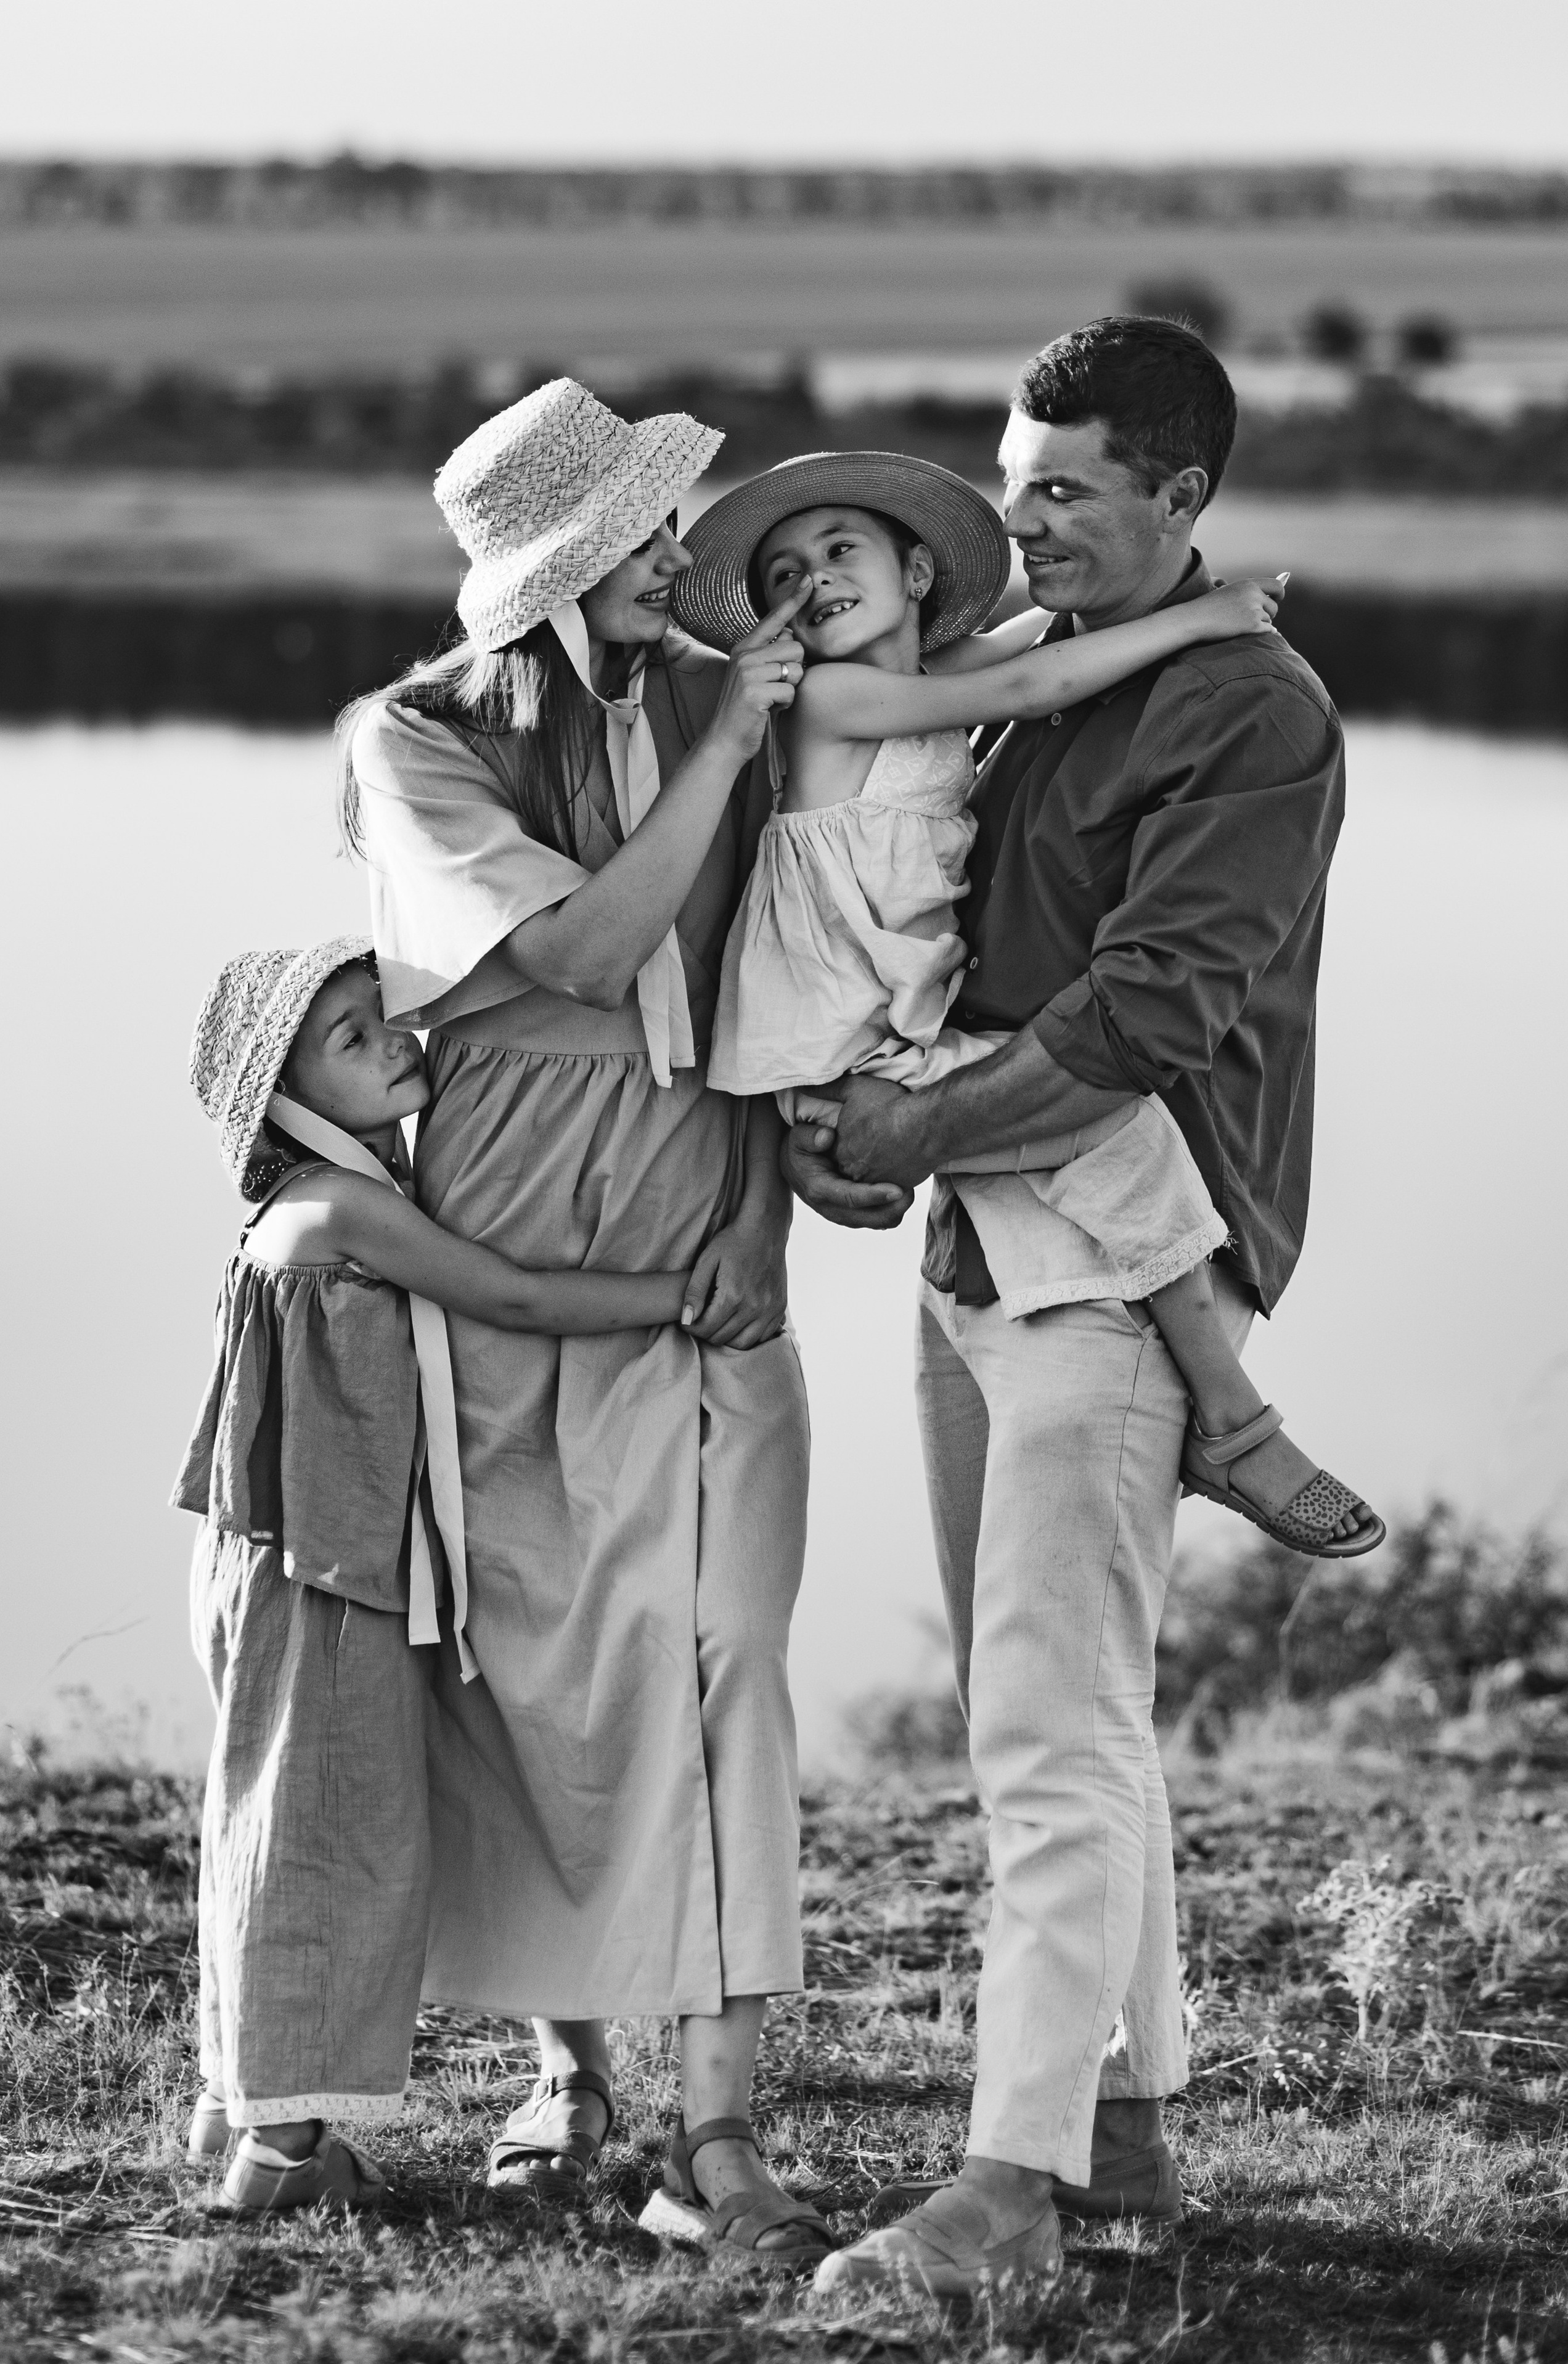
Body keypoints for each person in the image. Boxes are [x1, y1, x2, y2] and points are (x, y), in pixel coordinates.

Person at [775, 317, 1361, 2298]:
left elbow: (1141, 1017)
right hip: (977, 1251)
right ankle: (1122, 2132)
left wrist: (909, 1118)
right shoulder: (1028, 668)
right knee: (1056, 1709)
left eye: (1070, 492)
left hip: (1123, 1276)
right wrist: (850, 1130)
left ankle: (1006, 2186)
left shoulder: (1253, 713)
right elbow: (913, 930)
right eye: (1015, 484)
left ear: (1183, 495)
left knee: (1053, 1729)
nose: (1023, 523)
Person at [340, 377, 831, 2265]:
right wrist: (730, 742)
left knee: (730, 1662)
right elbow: (582, 951)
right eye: (641, 536)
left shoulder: (713, 695)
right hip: (500, 1257)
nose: (677, 558)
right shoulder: (412, 739)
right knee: (534, 1682)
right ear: (554, 578)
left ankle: (720, 2130)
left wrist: (767, 1216)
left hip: (704, 1257)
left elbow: (766, 979)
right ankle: (572, 2075)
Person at [676, 456, 1379, 1556]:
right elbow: (1032, 688)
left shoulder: (933, 669)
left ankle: (1225, 1418)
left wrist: (1182, 620)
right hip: (849, 1030)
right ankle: (1234, 1422)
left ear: (917, 574)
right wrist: (1204, 621)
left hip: (888, 1015)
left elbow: (1041, 648)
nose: (813, 580)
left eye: (839, 551)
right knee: (1125, 1139)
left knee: (1113, 1145)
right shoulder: (831, 695)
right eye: (784, 574)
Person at [174, 939, 693, 2215]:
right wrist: (687, 1288)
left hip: (274, 1557)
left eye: (381, 1016)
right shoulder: (342, 1211)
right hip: (323, 1569)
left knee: (267, 1813)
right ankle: (284, 2151)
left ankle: (238, 2105)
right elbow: (512, 1294)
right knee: (322, 1832)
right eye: (351, 1040)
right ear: (288, 1104)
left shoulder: (309, 1206)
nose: (396, 1041)